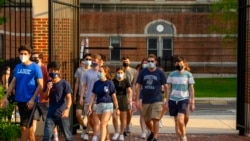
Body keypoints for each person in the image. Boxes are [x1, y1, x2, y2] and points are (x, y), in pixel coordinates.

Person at [3, 45, 43, 141]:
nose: (23, 55)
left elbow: (40, 85)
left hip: (30, 102)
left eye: (25, 54)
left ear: (29, 55)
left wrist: (33, 99)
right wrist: (5, 97)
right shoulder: (18, 67)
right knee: (26, 128)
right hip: (20, 99)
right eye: (21, 54)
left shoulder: (35, 67)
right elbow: (13, 82)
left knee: (25, 127)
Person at [135, 54, 168, 141]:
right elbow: (138, 86)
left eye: (152, 61)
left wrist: (167, 99)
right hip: (145, 99)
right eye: (148, 61)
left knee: (155, 118)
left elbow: (166, 86)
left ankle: (155, 137)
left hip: (157, 99)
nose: (150, 63)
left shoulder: (160, 73)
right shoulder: (143, 72)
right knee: (146, 120)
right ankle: (153, 131)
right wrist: (137, 99)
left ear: (156, 62)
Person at [166, 56, 195, 141]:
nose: (178, 64)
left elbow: (191, 88)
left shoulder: (188, 74)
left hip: (183, 99)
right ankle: (178, 138)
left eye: (180, 63)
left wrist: (192, 101)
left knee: (180, 120)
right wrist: (167, 101)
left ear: (184, 64)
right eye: (177, 63)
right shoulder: (171, 74)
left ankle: (183, 135)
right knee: (176, 122)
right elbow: (168, 88)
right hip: (173, 99)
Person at [42, 61, 73, 141]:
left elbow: (69, 98)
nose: (53, 72)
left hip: (62, 114)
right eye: (51, 70)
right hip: (51, 114)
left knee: (68, 136)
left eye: (55, 70)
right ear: (48, 71)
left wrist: (67, 109)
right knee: (46, 137)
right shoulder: (48, 83)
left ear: (59, 71)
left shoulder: (64, 83)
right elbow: (45, 97)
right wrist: (48, 89)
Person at [31, 52, 59, 141]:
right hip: (34, 99)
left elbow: (50, 80)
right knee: (34, 119)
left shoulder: (44, 68)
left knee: (49, 120)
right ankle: (32, 137)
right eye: (33, 58)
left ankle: (55, 136)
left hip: (44, 99)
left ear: (41, 58)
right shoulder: (32, 68)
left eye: (36, 58)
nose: (34, 59)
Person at [88, 65, 119, 141]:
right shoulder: (96, 83)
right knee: (104, 125)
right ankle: (107, 138)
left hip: (108, 105)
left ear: (105, 73)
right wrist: (90, 105)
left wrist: (117, 107)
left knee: (102, 123)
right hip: (99, 105)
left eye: (101, 71)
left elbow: (114, 96)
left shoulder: (109, 83)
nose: (99, 73)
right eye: (98, 71)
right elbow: (93, 95)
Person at [80, 54, 103, 141]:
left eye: (96, 60)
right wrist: (81, 97)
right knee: (89, 118)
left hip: (98, 99)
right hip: (88, 98)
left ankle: (95, 135)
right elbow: (84, 86)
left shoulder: (101, 72)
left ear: (100, 62)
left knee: (96, 118)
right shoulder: (87, 72)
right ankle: (95, 132)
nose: (94, 62)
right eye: (93, 60)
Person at [73, 53, 92, 140]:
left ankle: (86, 133)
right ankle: (84, 127)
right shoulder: (79, 70)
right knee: (78, 114)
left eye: (89, 59)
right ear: (83, 60)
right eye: (86, 59)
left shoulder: (93, 70)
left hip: (89, 96)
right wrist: (74, 95)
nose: (88, 61)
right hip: (80, 95)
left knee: (89, 115)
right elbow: (77, 83)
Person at [112, 67, 132, 141]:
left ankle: (121, 133)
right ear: (116, 73)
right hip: (115, 98)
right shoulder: (113, 81)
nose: (119, 74)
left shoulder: (126, 81)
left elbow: (130, 90)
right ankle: (116, 131)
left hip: (123, 98)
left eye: (121, 73)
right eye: (118, 72)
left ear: (123, 73)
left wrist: (129, 98)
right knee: (114, 116)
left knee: (123, 118)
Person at [133, 57, 149, 139]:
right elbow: (134, 84)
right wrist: (134, 94)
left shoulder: (152, 72)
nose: (145, 64)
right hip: (141, 94)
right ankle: (143, 131)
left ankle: (149, 129)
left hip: (150, 95)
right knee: (142, 114)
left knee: (149, 114)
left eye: (147, 63)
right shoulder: (139, 72)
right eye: (144, 63)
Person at [121, 56, 137, 134]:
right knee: (122, 111)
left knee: (129, 111)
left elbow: (135, 83)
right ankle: (123, 126)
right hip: (121, 94)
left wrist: (133, 93)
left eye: (127, 61)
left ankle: (127, 125)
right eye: (124, 61)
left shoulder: (134, 71)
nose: (125, 62)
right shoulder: (120, 71)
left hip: (130, 93)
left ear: (129, 62)